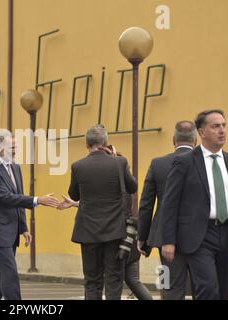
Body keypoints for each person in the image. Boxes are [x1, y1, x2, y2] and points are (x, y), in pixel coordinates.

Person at [161, 109, 228, 300]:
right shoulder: (185, 162)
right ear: (202, 132)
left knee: (221, 290)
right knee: (208, 289)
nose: (221, 130)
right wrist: (168, 240)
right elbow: (170, 203)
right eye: (215, 126)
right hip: (199, 235)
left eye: (223, 125)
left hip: (227, 233)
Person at [59, 147, 151, 300]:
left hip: (119, 238)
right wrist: (76, 204)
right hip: (123, 237)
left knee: (102, 281)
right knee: (128, 281)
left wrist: (77, 203)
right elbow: (105, 202)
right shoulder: (120, 180)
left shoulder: (120, 180)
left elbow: (109, 204)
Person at [0, 130, 60, 300]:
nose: (15, 150)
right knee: (10, 273)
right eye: (11, 147)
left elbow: (18, 197)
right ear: (0, 148)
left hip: (12, 231)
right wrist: (38, 200)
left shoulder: (16, 167)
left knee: (0, 277)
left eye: (15, 146)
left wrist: (23, 227)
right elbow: (6, 198)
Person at [66, 124, 137, 300]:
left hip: (88, 232)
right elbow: (132, 187)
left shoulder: (78, 166)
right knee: (113, 279)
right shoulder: (119, 162)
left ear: (86, 144)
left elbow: (73, 194)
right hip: (114, 231)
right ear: (106, 142)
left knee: (92, 280)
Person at [138, 121, 197, 300]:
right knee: (203, 287)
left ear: (173, 140)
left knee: (169, 286)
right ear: (195, 140)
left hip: (166, 238)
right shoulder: (205, 163)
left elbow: (146, 204)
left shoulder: (158, 164)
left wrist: (142, 236)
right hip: (200, 236)